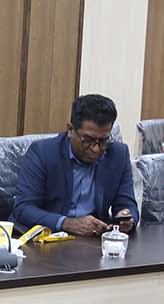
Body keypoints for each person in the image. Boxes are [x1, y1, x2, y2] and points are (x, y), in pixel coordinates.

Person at [13, 94, 138, 237]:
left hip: (93, 240)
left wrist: (126, 217)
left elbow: (127, 202)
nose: (96, 149)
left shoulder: (118, 155)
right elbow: (23, 208)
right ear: (70, 130)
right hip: (47, 238)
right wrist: (67, 223)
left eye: (103, 141)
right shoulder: (43, 152)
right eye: (88, 140)